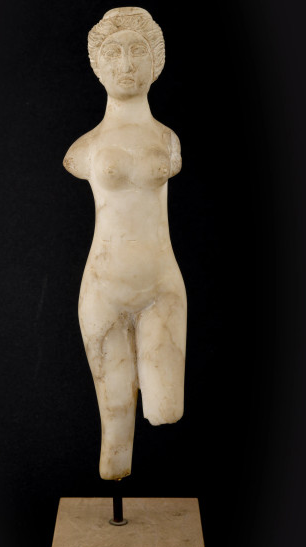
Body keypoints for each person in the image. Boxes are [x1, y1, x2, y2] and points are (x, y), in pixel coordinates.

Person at [64, 7, 186, 480]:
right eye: (113, 54)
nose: (126, 64)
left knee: (165, 408)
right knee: (115, 431)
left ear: (155, 63)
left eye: (137, 51)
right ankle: (115, 481)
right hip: (103, 289)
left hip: (161, 287)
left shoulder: (168, 140)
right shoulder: (84, 148)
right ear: (98, 66)